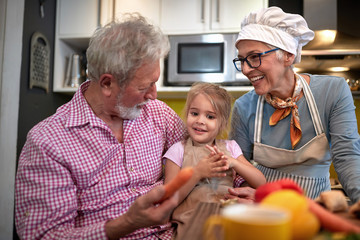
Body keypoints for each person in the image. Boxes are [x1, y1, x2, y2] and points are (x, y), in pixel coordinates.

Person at [15, 13, 186, 240]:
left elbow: (202, 150)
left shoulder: (159, 114)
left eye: (155, 82)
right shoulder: (47, 142)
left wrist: (242, 187)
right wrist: (127, 223)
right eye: (145, 86)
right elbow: (45, 236)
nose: (153, 95)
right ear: (107, 83)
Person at [226, 6, 360, 204]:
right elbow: (237, 171)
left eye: (254, 57)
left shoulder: (333, 92)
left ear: (288, 55)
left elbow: (347, 157)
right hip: (264, 211)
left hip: (315, 213)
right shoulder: (244, 107)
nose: (245, 69)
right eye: (242, 60)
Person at [163, 82, 266, 239]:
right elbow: (168, 199)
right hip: (192, 223)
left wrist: (234, 162)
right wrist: (196, 174)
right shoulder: (178, 150)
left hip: (229, 217)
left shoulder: (231, 147)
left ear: (222, 123)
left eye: (210, 116)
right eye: (194, 113)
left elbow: (261, 183)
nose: (200, 121)